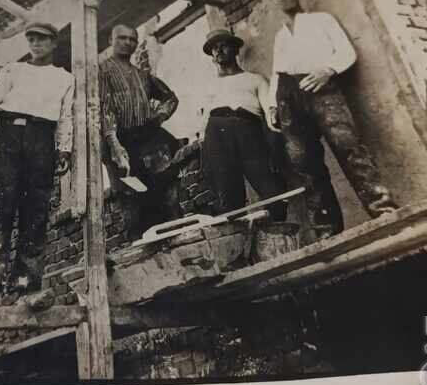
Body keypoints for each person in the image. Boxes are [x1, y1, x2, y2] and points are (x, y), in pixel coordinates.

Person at [266, 0, 398, 235]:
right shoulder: (280, 36)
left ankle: (384, 209)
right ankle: (326, 228)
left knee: (349, 147)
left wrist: (328, 70)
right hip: (288, 96)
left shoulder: (321, 20)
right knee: (304, 163)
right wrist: (273, 105)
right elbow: (276, 72)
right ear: (272, 2)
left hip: (322, 89)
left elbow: (347, 52)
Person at [0, 22, 73, 296]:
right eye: (31, 39)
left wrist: (64, 149)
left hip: (42, 140)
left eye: (42, 39)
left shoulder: (64, 78)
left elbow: (65, 117)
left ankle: (25, 281)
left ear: (53, 43)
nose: (35, 44)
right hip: (9, 136)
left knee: (35, 211)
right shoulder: (12, 70)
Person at [99, 24, 180, 239]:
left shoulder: (142, 75)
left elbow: (171, 98)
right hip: (120, 142)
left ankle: (176, 243)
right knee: (133, 201)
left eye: (132, 39)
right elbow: (104, 109)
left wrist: (158, 117)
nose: (127, 43)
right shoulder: (101, 71)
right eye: (122, 38)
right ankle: (144, 251)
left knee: (165, 193)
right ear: (111, 40)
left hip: (148, 139)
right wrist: (114, 144)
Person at [198, 29, 287, 220]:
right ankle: (240, 243)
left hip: (249, 131)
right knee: (228, 195)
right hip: (217, 133)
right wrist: (203, 143)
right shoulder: (209, 85)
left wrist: (274, 145)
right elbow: (204, 121)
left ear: (236, 49)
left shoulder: (255, 79)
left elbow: (270, 113)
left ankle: (277, 233)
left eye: (223, 45)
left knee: (271, 190)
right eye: (214, 48)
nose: (218, 51)